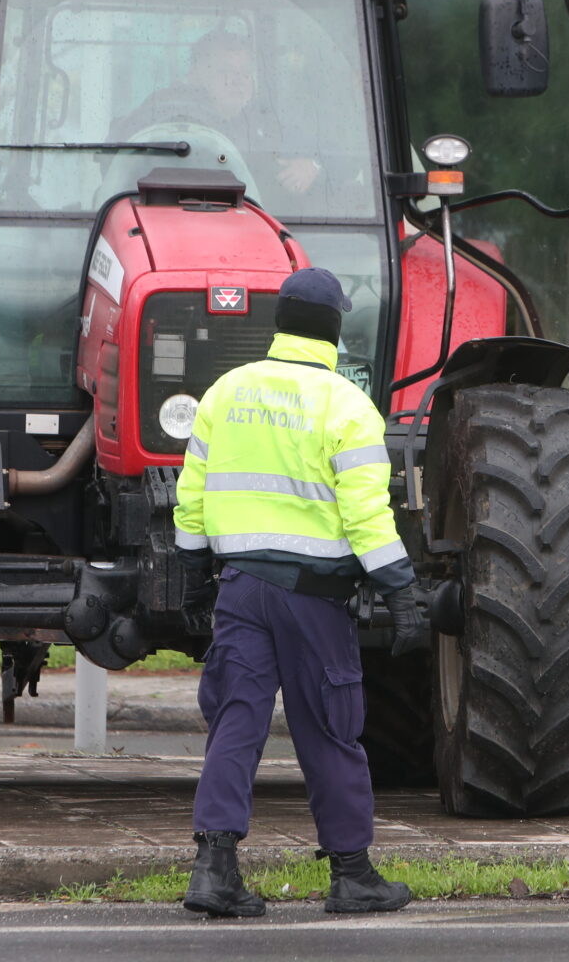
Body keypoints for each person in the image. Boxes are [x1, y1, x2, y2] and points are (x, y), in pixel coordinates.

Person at [172, 266, 428, 918]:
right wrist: (401, 591)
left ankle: (214, 870)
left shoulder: (226, 391)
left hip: (239, 589)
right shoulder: (347, 405)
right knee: (331, 730)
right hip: (313, 599)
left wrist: (194, 574)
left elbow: (191, 496)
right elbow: (367, 516)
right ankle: (352, 875)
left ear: (280, 321)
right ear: (335, 328)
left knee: (235, 722)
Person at [121, 28, 324, 197]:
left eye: (245, 73)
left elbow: (328, 152)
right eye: (225, 71)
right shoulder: (162, 109)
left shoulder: (263, 120)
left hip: (250, 220)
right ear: (197, 73)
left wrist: (313, 166)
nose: (237, 80)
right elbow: (117, 158)